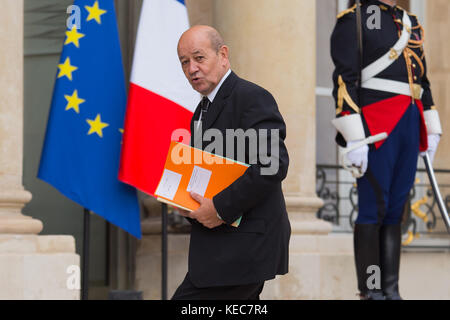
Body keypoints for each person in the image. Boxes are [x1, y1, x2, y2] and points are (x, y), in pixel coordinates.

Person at [330, 0, 442, 299]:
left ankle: (391, 291)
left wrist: (431, 127)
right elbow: (345, 81)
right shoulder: (353, 19)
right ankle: (372, 289)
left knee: (395, 213)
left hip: (408, 122)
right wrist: (354, 135)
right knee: (373, 211)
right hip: (377, 125)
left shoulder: (411, 23)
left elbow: (423, 81)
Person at [172, 25, 291, 300]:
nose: (192, 69)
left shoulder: (251, 97)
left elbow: (272, 164)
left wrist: (220, 208)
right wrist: (185, 201)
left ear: (223, 55)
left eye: (199, 58)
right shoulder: (202, 108)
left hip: (244, 246)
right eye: (184, 62)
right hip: (224, 249)